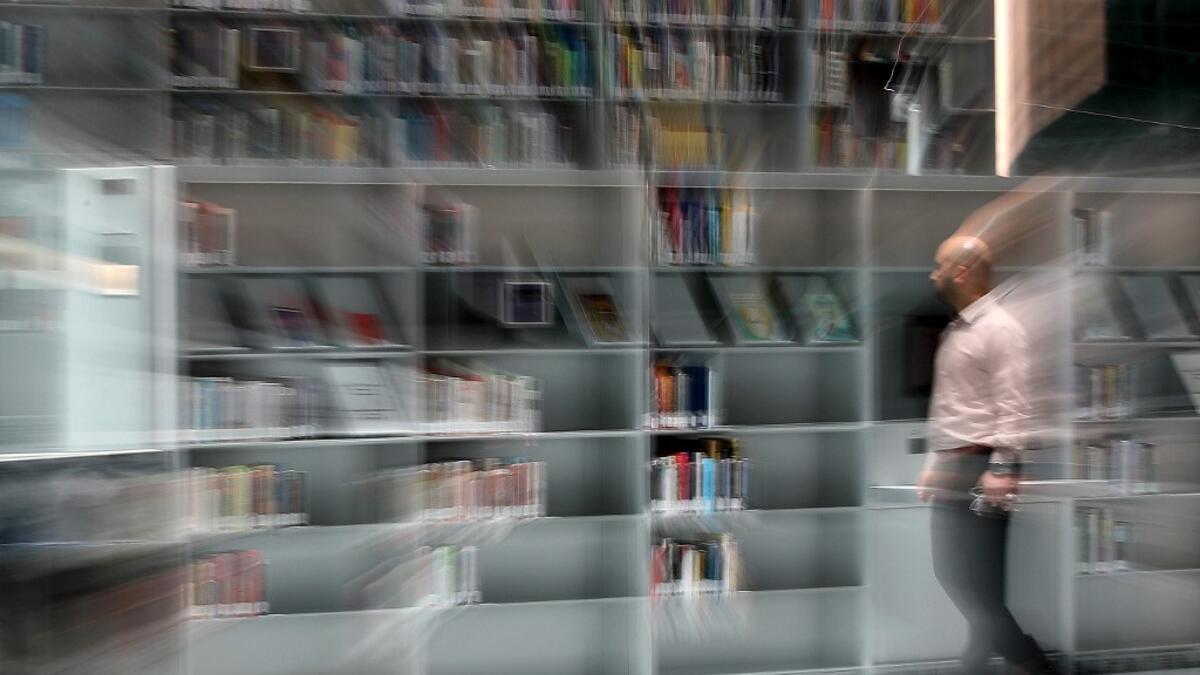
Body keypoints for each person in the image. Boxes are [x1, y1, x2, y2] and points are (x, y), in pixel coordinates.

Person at [916, 235, 1055, 675]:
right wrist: (935, 465)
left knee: (974, 582)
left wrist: (1002, 466)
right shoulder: (960, 330)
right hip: (956, 466)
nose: (932, 274)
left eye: (939, 265)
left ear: (963, 270)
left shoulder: (1001, 329)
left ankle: (1029, 663)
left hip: (982, 466)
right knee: (959, 576)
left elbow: (1015, 404)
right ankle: (986, 663)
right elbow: (952, 408)